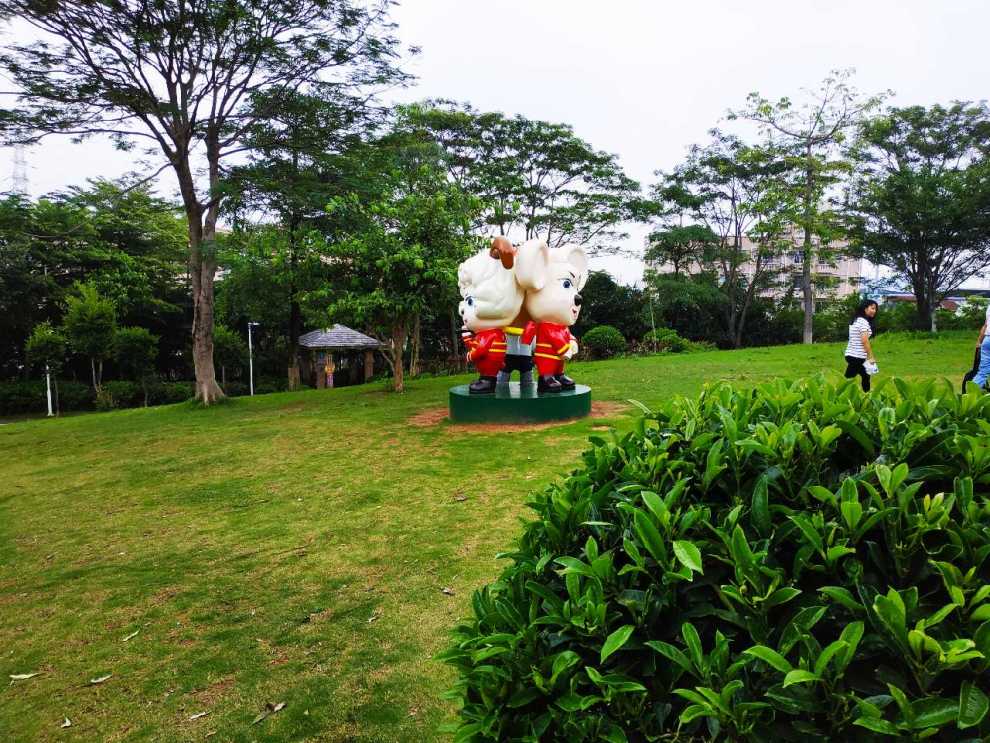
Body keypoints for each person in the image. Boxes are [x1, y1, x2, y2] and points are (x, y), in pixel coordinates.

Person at [844, 298, 878, 392]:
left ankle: (866, 395)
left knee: (864, 376)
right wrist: (871, 356)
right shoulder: (863, 322)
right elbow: (864, 340)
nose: (874, 311)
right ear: (865, 308)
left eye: (875, 309)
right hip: (856, 356)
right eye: (872, 308)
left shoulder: (856, 320)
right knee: (850, 378)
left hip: (852, 354)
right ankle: (867, 396)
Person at [970, 301, 990, 392]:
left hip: (987, 340)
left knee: (982, 373)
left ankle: (969, 398)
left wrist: (979, 342)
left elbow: (985, 325)